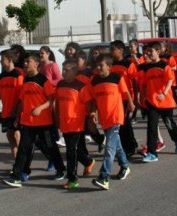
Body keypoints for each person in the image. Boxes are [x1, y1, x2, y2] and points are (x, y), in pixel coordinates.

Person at [4, 54, 66, 187]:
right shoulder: (25, 80)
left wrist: (40, 108)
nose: (25, 64)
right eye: (25, 62)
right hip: (27, 122)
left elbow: (51, 100)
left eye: (28, 61)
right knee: (23, 149)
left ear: (36, 64)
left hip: (44, 123)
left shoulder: (43, 80)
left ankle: (61, 169)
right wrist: (17, 116)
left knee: (51, 147)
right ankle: (17, 176)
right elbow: (22, 100)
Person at [84, 54, 135, 190]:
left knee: (109, 148)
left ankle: (104, 177)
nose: (98, 68)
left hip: (116, 117)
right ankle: (125, 166)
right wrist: (93, 112)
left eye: (101, 65)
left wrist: (131, 104)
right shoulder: (94, 81)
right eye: (97, 65)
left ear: (109, 66)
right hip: (104, 118)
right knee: (116, 145)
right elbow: (93, 100)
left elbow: (126, 92)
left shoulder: (116, 78)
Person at [138, 42, 177, 162]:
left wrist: (164, 93)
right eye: (147, 52)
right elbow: (144, 84)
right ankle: (152, 153)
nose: (148, 53)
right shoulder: (146, 67)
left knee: (169, 124)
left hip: (165, 101)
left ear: (158, 52)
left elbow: (170, 80)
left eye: (151, 51)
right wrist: (142, 98)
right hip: (152, 102)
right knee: (151, 127)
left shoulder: (164, 65)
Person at [54, 60, 95, 189]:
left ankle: (72, 179)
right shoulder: (60, 84)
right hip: (64, 123)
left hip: (76, 124)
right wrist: (57, 119)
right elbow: (58, 103)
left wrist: (90, 119)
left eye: (67, 70)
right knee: (73, 149)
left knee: (71, 151)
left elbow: (89, 103)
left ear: (75, 71)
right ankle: (88, 161)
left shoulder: (81, 86)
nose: (63, 72)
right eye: (63, 69)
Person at [0, 50, 24, 160]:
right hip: (6, 112)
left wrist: (17, 110)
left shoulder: (18, 75)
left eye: (2, 59)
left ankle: (23, 160)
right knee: (10, 136)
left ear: (9, 60)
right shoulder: (1, 76)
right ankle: (16, 162)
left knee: (16, 134)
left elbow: (21, 95)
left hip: (16, 112)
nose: (0, 61)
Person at [109, 41, 139, 156]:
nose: (110, 52)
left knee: (125, 122)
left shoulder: (128, 64)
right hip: (114, 99)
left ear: (120, 50)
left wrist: (135, 98)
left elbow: (134, 82)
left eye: (113, 49)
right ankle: (124, 147)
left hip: (126, 98)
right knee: (118, 124)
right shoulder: (110, 64)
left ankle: (131, 146)